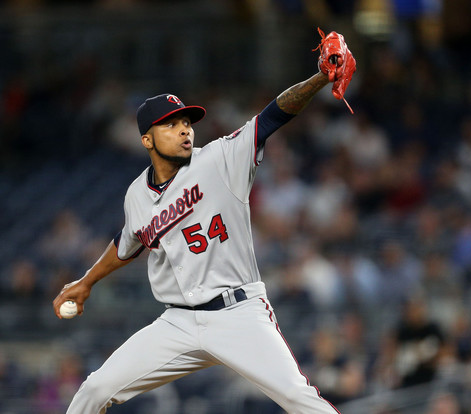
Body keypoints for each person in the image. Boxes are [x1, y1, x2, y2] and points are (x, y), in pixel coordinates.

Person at [53, 28, 356, 414]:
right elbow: (127, 242)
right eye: (170, 124)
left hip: (239, 314)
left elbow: (273, 115)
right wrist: (85, 282)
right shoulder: (135, 194)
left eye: (186, 122)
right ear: (147, 140)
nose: (184, 129)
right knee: (93, 390)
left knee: (300, 400)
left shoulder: (220, 159)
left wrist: (317, 79)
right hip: (177, 323)